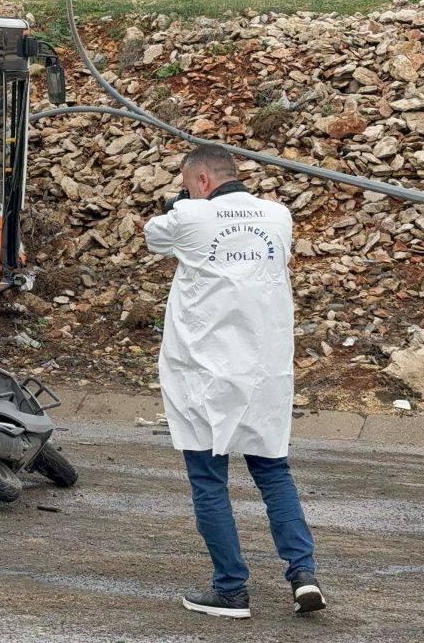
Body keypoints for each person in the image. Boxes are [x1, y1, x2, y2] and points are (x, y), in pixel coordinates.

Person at [143, 145, 326, 620]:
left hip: (205, 373)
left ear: (200, 181)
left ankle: (231, 590)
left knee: (208, 481)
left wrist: (178, 205)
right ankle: (303, 575)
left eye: (188, 185)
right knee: (272, 472)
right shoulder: (278, 215)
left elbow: (152, 236)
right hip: (265, 372)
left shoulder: (189, 214)